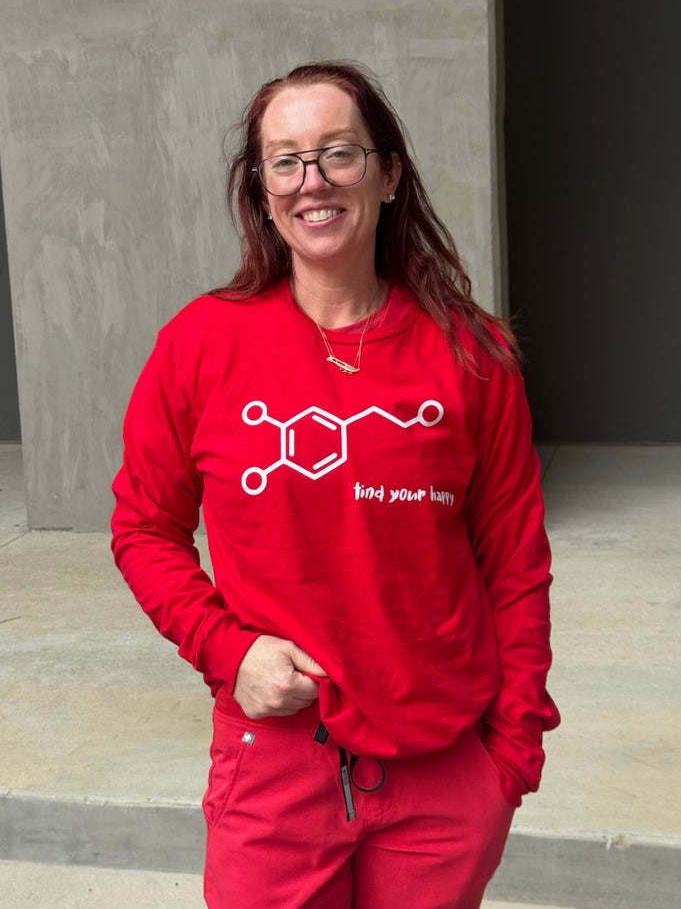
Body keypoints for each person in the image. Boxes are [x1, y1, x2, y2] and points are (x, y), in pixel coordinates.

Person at [111, 60, 560, 909]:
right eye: (284, 161)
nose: (311, 181)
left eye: (338, 153)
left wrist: (511, 756)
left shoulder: (472, 355)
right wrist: (227, 649)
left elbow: (514, 563)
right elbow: (142, 528)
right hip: (276, 761)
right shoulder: (201, 344)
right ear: (262, 191)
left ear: (388, 174)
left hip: (446, 770)